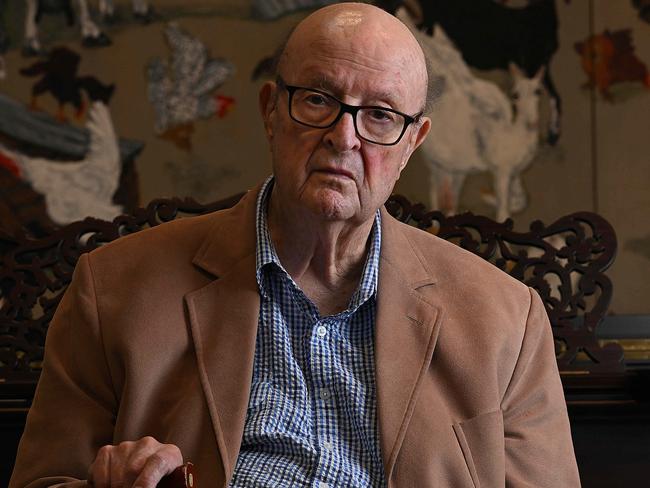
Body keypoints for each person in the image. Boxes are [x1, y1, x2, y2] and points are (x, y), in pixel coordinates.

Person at [10, 3, 580, 487]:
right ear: (270, 111)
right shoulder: (111, 290)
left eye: (379, 116)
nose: (343, 135)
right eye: (317, 99)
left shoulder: (508, 320)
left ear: (413, 143)